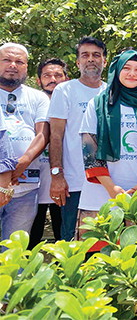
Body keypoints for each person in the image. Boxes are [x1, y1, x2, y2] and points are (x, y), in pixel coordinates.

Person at [78, 50, 137, 246]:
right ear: (117, 70)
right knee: (98, 262)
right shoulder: (98, 103)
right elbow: (90, 149)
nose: (132, 73)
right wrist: (112, 189)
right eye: (127, 68)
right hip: (100, 198)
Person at [48, 36, 108, 241]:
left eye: (96, 55)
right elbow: (55, 136)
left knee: (105, 242)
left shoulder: (112, 92)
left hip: (107, 183)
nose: (91, 59)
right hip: (75, 183)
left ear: (104, 61)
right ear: (78, 62)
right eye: (85, 55)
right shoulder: (65, 90)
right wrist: (56, 176)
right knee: (73, 242)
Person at [0, 43, 50, 242]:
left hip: (26, 187)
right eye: (7, 60)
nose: (13, 65)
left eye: (19, 61)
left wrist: (23, 163)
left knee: (15, 249)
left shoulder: (38, 98)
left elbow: (43, 134)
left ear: (26, 67)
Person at [29, 58, 68, 249]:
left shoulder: (71, 102)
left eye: (58, 75)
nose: (53, 79)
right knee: (31, 238)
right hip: (33, 183)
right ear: (38, 80)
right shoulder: (31, 103)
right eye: (47, 75)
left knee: (64, 236)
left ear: (66, 78)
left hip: (63, 182)